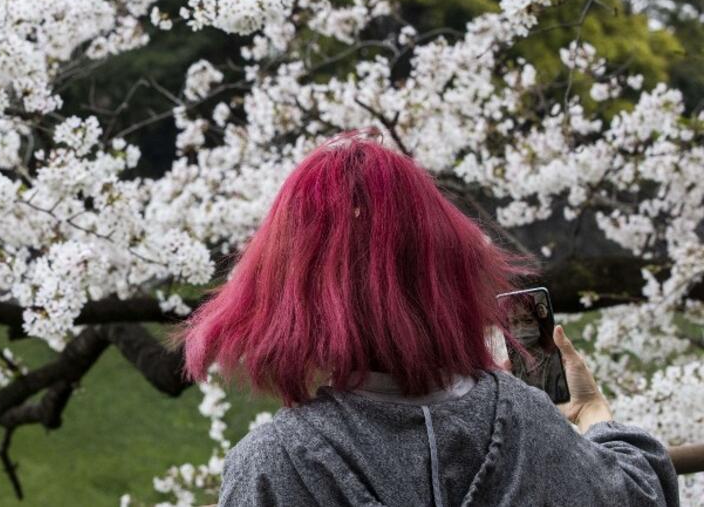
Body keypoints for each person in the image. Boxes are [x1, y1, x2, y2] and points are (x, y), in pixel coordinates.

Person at [180, 130, 678, 506]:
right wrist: (593, 414)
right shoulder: (525, 417)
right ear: (448, 268)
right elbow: (639, 495)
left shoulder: (276, 463)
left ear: (288, 291)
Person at [502, 290, 570, 403]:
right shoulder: (514, 361)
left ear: (540, 323)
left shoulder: (554, 361)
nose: (521, 329)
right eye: (514, 322)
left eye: (528, 321)